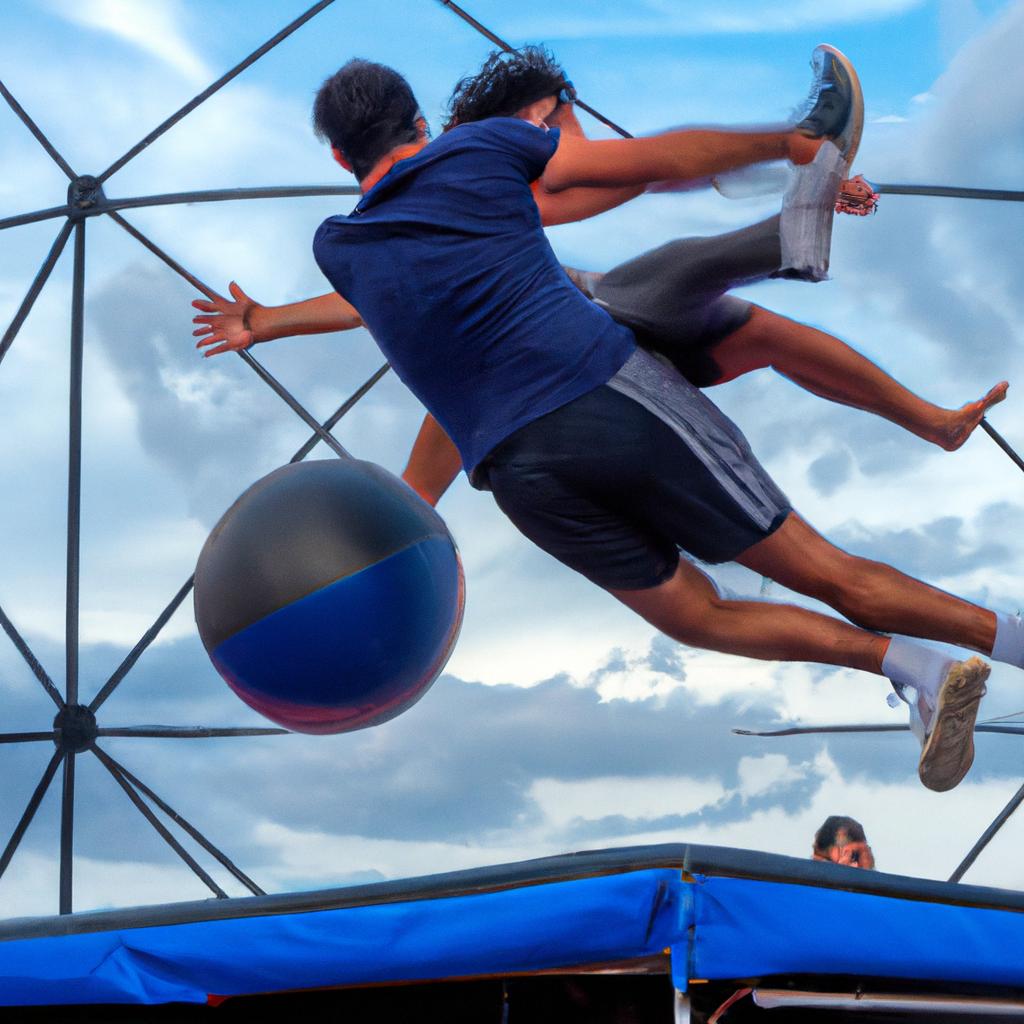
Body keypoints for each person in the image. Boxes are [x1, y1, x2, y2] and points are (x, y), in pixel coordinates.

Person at [203, 54, 1024, 794]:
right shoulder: (481, 154)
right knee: (809, 577)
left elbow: (361, 301)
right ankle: (922, 659)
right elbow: (647, 162)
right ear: (420, 122)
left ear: (343, 159)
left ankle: (931, 655)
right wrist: (789, 142)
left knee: (702, 615)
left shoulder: (340, 244)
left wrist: (264, 322)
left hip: (524, 473)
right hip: (604, 403)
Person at [193, 47, 1006, 509]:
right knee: (640, 289)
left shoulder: (489, 191)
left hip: (580, 349)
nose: (574, 134)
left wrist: (817, 176)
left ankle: (931, 421)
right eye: (559, 118)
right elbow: (363, 303)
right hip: (561, 353)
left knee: (758, 332)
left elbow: (656, 174)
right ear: (521, 127)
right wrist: (803, 156)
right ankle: (407, 520)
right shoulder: (491, 173)